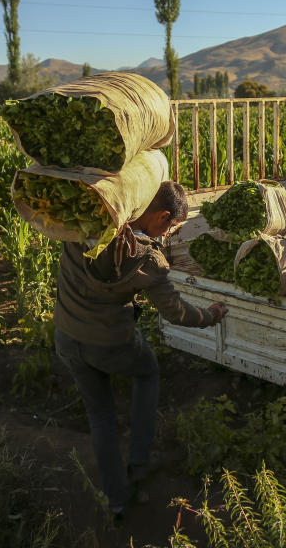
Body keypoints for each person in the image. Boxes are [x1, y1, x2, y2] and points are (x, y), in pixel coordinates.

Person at [53, 180, 227, 522]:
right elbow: (176, 312)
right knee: (147, 372)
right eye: (172, 226)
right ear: (162, 216)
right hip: (109, 343)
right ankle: (140, 461)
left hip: (66, 336)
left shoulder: (83, 226)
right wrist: (209, 315)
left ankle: (116, 501)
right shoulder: (145, 258)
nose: (169, 233)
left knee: (100, 416)